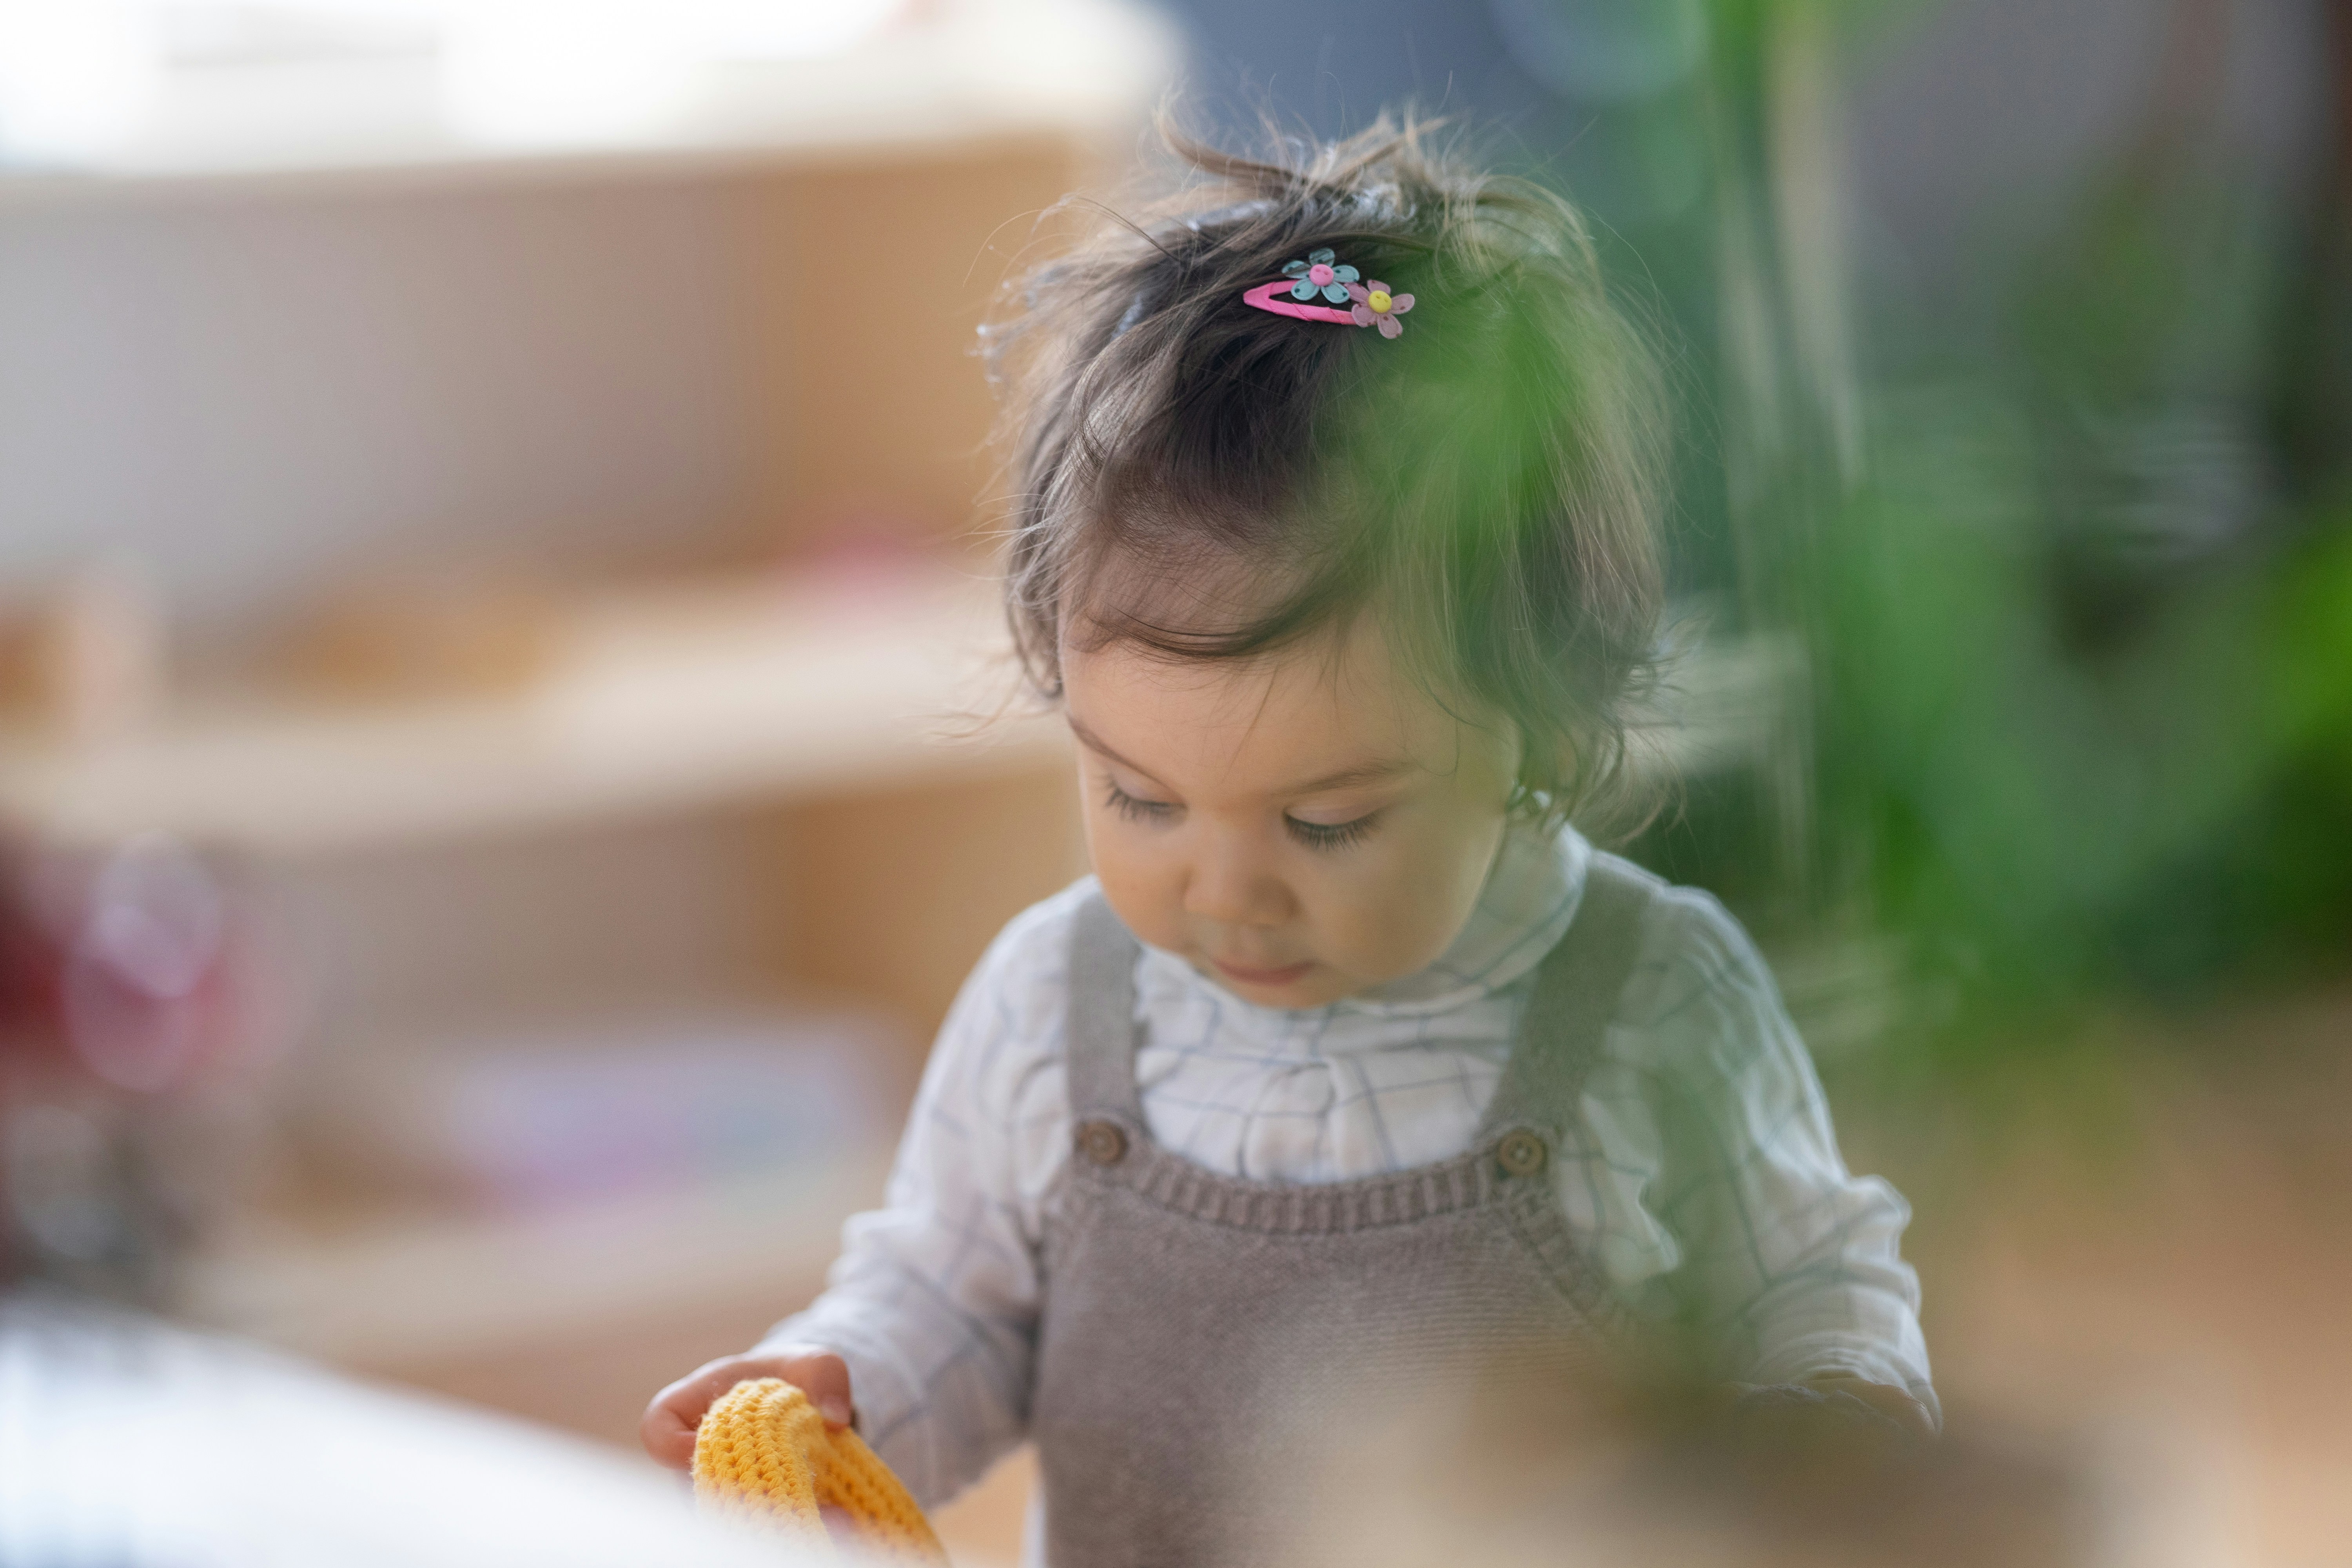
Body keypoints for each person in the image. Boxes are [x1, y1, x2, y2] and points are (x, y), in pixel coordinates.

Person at [643, 118, 1936, 1565]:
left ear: (1544, 733)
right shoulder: (1049, 1007)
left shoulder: (1651, 995)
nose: (1227, 887)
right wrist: (848, 1387)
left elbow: (1810, 1290)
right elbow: (953, 1298)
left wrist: (1830, 1428)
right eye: (1139, 796)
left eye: (1329, 822)